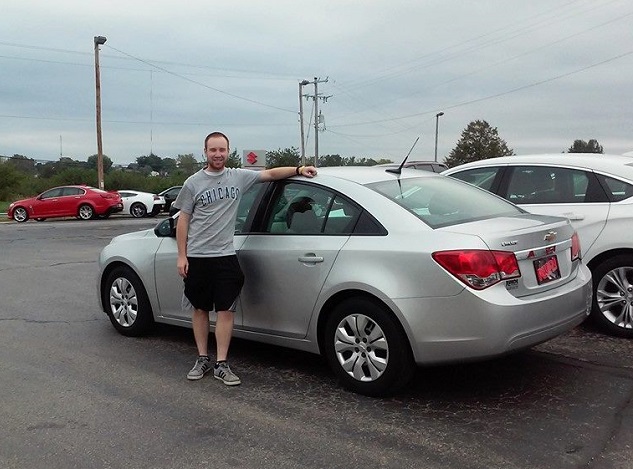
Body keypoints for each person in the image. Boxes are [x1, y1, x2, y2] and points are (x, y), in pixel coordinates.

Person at [172, 131, 317, 385]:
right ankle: (202, 358)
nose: (218, 154)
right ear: (204, 152)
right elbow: (184, 218)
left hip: (225, 256)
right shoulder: (193, 183)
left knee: (226, 309)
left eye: (222, 150)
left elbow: (270, 174)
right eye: (213, 150)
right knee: (200, 308)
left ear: (229, 152)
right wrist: (182, 255)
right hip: (197, 256)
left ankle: (222, 363)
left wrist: (298, 168)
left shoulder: (238, 177)